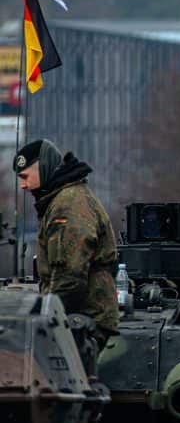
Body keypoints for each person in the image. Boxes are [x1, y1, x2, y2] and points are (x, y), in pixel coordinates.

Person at [13, 139, 118, 348]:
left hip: (84, 323)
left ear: (43, 168)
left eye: (25, 177)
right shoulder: (62, 199)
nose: (23, 185)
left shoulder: (67, 205)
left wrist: (44, 319)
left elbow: (70, 276)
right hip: (77, 319)